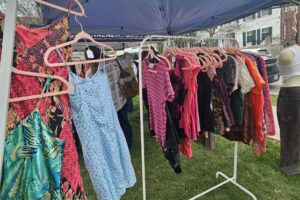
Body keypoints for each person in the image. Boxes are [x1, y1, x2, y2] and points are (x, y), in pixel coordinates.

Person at [277, 44, 300, 175]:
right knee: (295, 128)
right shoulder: (291, 52)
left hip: (291, 92)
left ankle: (289, 165)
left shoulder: (287, 53)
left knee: (289, 128)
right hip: (293, 92)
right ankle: (291, 160)